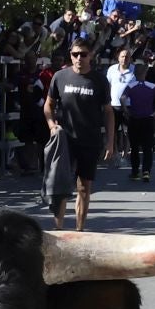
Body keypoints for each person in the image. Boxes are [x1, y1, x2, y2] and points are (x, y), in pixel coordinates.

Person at [45, 39, 113, 230]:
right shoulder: (60, 77)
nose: (79, 58)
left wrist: (110, 142)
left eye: (83, 54)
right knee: (60, 187)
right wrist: (52, 125)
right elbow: (48, 105)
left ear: (90, 55)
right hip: (65, 140)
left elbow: (108, 111)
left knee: (84, 187)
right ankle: (58, 229)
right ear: (70, 55)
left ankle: (79, 230)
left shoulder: (99, 80)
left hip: (90, 140)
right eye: (75, 54)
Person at [121, 62, 155, 183]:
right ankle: (146, 172)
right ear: (145, 73)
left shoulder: (130, 86)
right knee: (148, 147)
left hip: (134, 118)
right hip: (148, 119)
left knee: (134, 147)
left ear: (135, 73)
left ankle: (135, 172)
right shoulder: (152, 86)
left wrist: (126, 111)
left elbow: (122, 99)